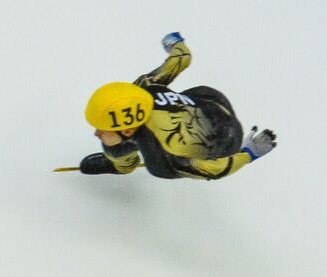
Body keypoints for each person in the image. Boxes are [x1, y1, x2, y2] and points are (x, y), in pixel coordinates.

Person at [77, 32, 276, 180]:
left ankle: (121, 164)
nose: (96, 133)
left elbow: (218, 169)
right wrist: (175, 43)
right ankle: (122, 164)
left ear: (128, 130)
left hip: (224, 142)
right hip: (210, 102)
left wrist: (249, 152)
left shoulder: (168, 152)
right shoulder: (143, 89)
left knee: (119, 150)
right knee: (113, 144)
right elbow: (181, 59)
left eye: (103, 129)